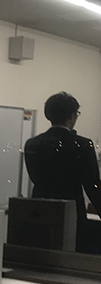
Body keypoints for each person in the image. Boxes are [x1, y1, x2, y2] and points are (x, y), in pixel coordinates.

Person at [24, 91, 101, 251]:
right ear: (72, 115)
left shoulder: (32, 144)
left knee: (39, 255)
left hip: (40, 212)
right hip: (72, 213)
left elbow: (35, 178)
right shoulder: (82, 145)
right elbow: (93, 186)